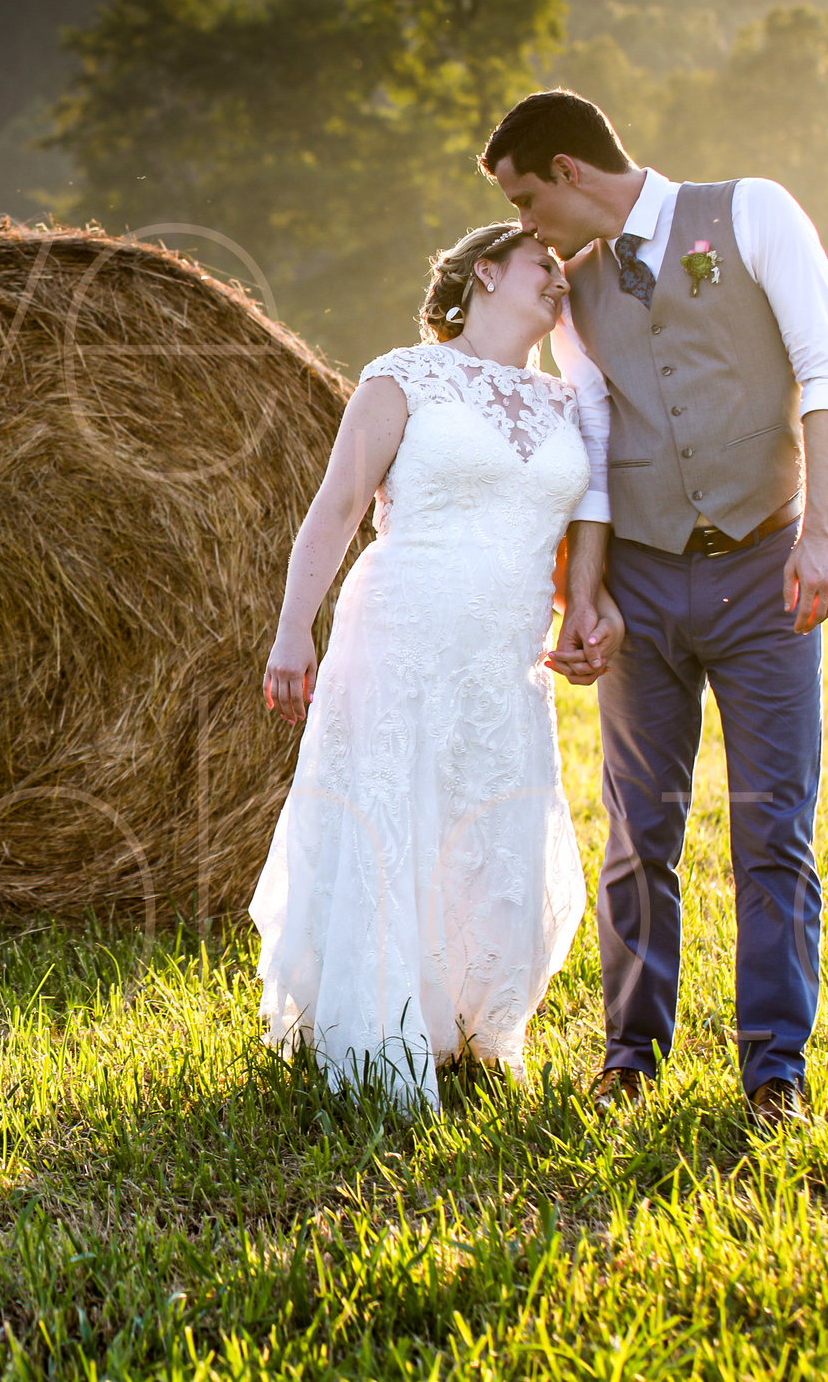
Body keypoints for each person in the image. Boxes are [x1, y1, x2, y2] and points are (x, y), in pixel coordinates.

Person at [480, 89, 828, 1128]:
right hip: (642, 581)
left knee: (771, 828)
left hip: (764, 568)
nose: (525, 227)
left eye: (524, 197)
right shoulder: (574, 293)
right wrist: (587, 585)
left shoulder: (751, 214)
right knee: (637, 827)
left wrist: (821, 531)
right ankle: (629, 1051)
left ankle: (772, 1066)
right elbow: (595, 445)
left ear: (565, 169)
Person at [247, 222, 603, 1109]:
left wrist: (590, 609)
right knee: (395, 818)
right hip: (403, 632)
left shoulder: (568, 404)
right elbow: (335, 509)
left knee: (488, 830)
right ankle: (378, 1030)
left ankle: (474, 1027)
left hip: (504, 655)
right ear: (486, 271)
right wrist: (295, 629)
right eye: (542, 264)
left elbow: (573, 532)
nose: (560, 280)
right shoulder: (403, 376)